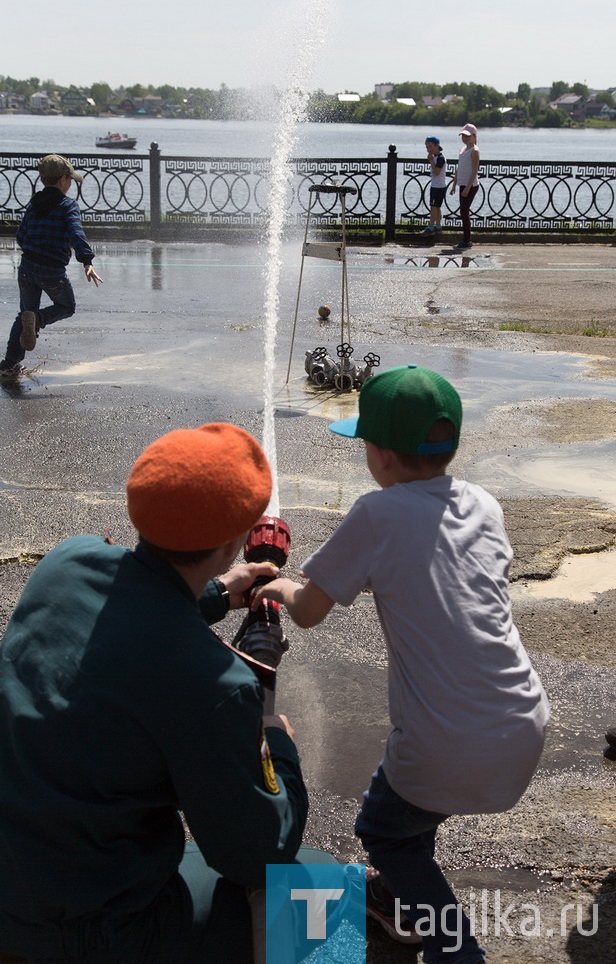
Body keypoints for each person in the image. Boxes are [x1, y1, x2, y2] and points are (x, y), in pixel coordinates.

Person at [251, 365, 550, 964]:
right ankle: (397, 894)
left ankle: (452, 947)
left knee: (384, 828)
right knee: (415, 808)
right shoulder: (483, 504)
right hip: (520, 721)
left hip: (446, 740)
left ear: (381, 456)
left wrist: (276, 586)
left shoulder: (377, 514)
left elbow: (309, 611)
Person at [0, 423, 310, 963]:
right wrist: (276, 743)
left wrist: (215, 594)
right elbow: (259, 852)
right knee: (321, 895)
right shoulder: (214, 684)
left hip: (21, 880)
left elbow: (125, 606)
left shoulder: (65, 562)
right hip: (85, 932)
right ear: (236, 540)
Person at [0, 154, 103, 378]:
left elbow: (21, 236)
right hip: (52, 270)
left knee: (24, 313)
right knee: (66, 306)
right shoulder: (68, 206)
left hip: (27, 266)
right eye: (70, 180)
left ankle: (9, 364)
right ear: (63, 180)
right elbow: (77, 234)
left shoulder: (35, 202)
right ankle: (38, 320)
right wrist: (87, 261)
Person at [449, 123, 480, 250]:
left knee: (464, 211)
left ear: (474, 136)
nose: (465, 138)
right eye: (463, 136)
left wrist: (468, 187)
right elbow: (459, 168)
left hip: (471, 185)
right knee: (463, 212)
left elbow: (474, 171)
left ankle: (467, 241)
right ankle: (466, 240)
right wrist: (454, 184)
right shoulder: (462, 150)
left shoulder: (475, 151)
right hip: (462, 184)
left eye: (468, 136)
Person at [421, 136, 448, 236]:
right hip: (436, 185)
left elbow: (437, 172)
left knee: (433, 207)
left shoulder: (440, 158)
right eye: (427, 147)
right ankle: (438, 226)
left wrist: (431, 161)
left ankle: (431, 227)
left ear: (437, 146)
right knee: (436, 207)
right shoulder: (436, 157)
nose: (428, 149)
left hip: (439, 186)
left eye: (430, 146)